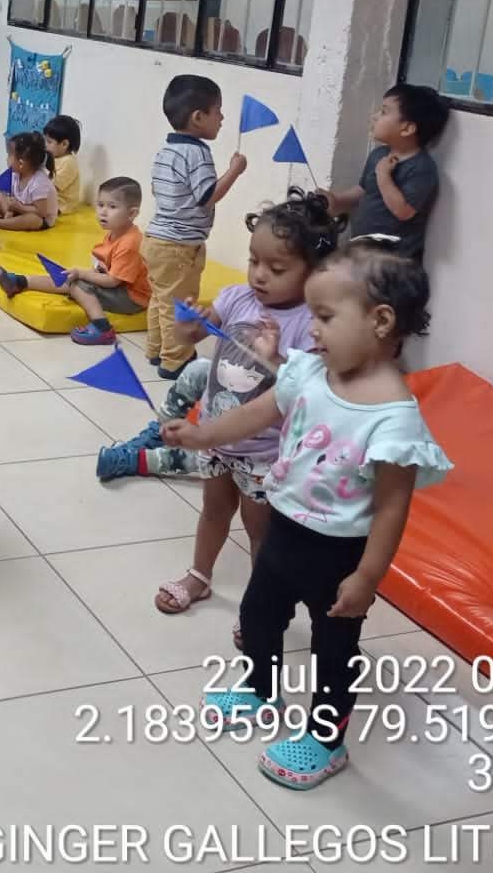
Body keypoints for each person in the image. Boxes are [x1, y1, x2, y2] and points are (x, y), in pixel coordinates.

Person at [171, 239, 451, 789]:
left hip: (339, 552)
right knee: (259, 614)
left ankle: (326, 740)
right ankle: (260, 689)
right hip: (284, 523)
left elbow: (393, 506)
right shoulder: (310, 373)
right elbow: (257, 413)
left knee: (333, 649)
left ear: (380, 321)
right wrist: (203, 434)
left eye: (324, 316)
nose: (312, 329)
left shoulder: (394, 419)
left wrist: (367, 577)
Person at [102, 191, 346, 645]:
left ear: (313, 272)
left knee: (259, 532)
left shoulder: (310, 325)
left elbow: (307, 392)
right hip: (218, 438)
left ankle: (260, 604)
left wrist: (276, 357)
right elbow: (190, 336)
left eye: (276, 269)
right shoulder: (236, 298)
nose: (259, 274)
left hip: (265, 453)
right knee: (213, 511)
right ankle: (200, 575)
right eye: (254, 261)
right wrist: (189, 322)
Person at [145, 74, 247, 378]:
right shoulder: (197, 153)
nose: (222, 118)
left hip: (155, 240)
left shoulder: (166, 150)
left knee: (160, 300)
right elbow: (208, 196)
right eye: (218, 111)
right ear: (198, 117)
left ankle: (155, 350)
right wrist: (234, 171)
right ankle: (175, 361)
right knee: (178, 306)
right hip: (178, 246)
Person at [0, 176, 150, 345]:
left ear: (132, 213)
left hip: (131, 298)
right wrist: (83, 274)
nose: (103, 212)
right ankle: (20, 282)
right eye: (100, 205)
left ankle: (103, 328)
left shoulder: (130, 242)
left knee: (77, 284)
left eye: (112, 207)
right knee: (67, 276)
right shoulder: (116, 232)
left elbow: (112, 281)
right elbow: (104, 269)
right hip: (116, 286)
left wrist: (82, 274)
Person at [317, 85, 448, 262]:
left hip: (393, 262)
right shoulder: (378, 154)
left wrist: (384, 176)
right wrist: (337, 201)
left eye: (384, 112)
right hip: (361, 252)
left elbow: (403, 211)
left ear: (407, 129)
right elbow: (363, 190)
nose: (375, 116)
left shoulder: (422, 167)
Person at [0, 130, 59, 232]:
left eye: (9, 155)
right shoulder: (15, 174)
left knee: (32, 219)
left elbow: (41, 212)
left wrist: (19, 207)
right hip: (21, 210)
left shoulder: (39, 182)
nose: (6, 159)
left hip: (41, 218)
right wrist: (11, 210)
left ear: (21, 163)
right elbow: (14, 198)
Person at [44, 114, 83, 215]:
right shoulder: (53, 157)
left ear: (64, 144)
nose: (45, 145)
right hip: (49, 199)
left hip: (62, 205)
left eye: (49, 142)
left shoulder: (68, 162)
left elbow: (51, 188)